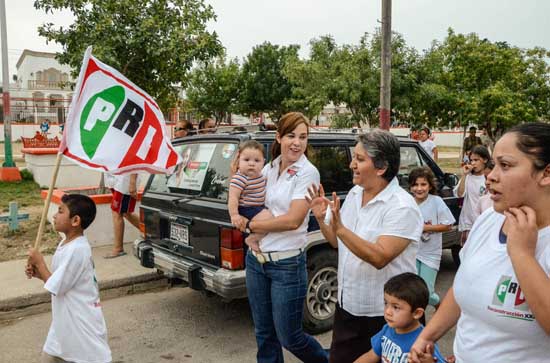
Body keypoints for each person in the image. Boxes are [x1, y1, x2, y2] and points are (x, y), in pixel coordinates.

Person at [409, 122, 550, 363]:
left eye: (505, 166)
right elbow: (463, 288)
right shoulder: (488, 219)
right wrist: (427, 337)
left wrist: (522, 256)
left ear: (546, 173)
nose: (491, 176)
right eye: (494, 165)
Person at [306, 129, 423, 363]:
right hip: (348, 306)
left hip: (385, 315)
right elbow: (337, 243)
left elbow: (379, 257)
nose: (351, 164)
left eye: (360, 159)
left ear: (381, 168)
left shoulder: (402, 207)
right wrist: (322, 218)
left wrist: (340, 228)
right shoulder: (354, 193)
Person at [239, 112, 328, 363]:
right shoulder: (269, 167)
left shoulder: (308, 173)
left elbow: (293, 220)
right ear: (278, 137)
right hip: (256, 261)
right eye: (291, 136)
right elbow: (250, 197)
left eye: (303, 137)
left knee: (290, 336)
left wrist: (250, 224)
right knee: (264, 333)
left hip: (286, 265)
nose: (297, 143)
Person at [26, 194, 112, 363]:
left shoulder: (78, 249)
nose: (54, 215)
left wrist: (40, 262)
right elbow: (59, 282)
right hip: (64, 323)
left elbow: (58, 287)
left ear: (75, 221)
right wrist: (40, 273)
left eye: (60, 211)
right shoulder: (66, 244)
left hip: (80, 324)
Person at [354, 273, 447, 363]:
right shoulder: (387, 329)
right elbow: (372, 355)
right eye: (386, 303)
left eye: (395, 307)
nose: (387, 311)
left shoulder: (424, 342)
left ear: (417, 313)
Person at [409, 167, 455, 308]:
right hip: (411, 253)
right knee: (413, 291)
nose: (419, 188)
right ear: (410, 187)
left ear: (430, 186)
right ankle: (414, 323)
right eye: (415, 185)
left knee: (427, 294)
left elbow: (448, 225)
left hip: (430, 253)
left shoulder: (436, 202)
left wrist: (424, 228)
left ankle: (439, 305)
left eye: (423, 184)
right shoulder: (407, 203)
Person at [228, 140, 272, 251]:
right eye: (246, 160)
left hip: (257, 207)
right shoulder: (240, 178)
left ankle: (255, 237)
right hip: (246, 208)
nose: (251, 163)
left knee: (269, 219)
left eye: (257, 160)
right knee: (270, 220)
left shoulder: (260, 175)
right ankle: (252, 239)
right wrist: (234, 215)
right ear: (238, 161)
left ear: (263, 162)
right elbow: (233, 198)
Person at [454, 145, 490, 245]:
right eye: (471, 160)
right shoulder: (468, 177)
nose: (473, 163)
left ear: (485, 160)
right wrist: (464, 175)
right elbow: (460, 194)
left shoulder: (488, 179)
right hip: (468, 224)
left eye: (476, 160)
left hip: (483, 225)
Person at [104, 172, 140, 258]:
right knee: (126, 213)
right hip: (115, 180)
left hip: (124, 182)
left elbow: (134, 161)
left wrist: (132, 183)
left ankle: (118, 249)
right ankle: (151, 232)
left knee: (117, 212)